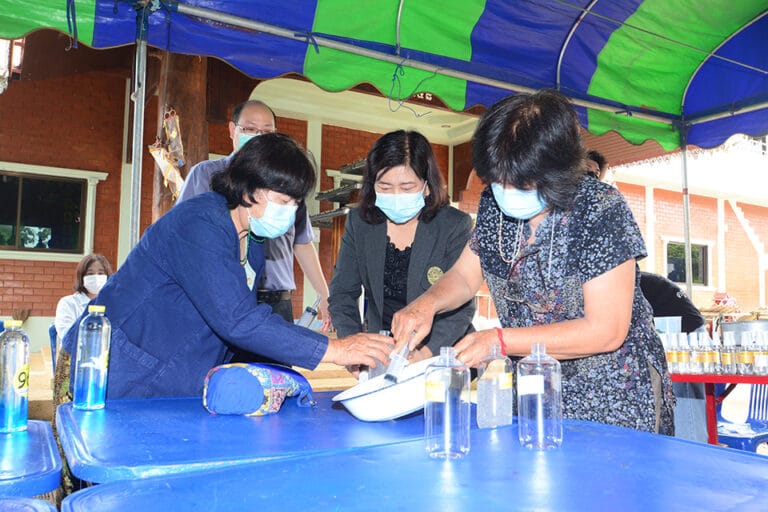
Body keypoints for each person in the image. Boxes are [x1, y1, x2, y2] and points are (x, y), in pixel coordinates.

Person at [392, 89, 675, 435]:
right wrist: (427, 305)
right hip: (533, 392)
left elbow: (605, 330)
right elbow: (465, 276)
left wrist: (500, 341)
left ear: (558, 172)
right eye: (498, 180)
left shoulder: (600, 209)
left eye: (521, 184)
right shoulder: (495, 206)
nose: (506, 192)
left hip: (613, 398)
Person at [57, 134, 391, 399]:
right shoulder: (200, 223)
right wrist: (336, 349)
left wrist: (279, 371)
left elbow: (236, 327)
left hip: (170, 378)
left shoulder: (252, 241)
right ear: (248, 189)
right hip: (108, 370)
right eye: (283, 200)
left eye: (296, 202)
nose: (290, 211)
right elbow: (238, 320)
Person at [177, 99, 332, 333]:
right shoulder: (205, 175)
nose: (258, 137)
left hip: (276, 301)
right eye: (250, 129)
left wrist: (324, 295)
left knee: (277, 357)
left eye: (267, 132)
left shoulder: (286, 181)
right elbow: (185, 236)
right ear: (232, 130)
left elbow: (302, 242)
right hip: (224, 298)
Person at [328, 130, 475, 371]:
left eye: (407, 188)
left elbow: (462, 305)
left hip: (442, 352)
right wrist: (354, 348)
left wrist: (424, 354)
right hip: (382, 352)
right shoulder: (360, 223)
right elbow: (343, 293)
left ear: (426, 186)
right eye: (384, 187)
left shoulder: (453, 225)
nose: (396, 196)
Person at [640, 270, 708, 442]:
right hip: (675, 330)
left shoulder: (625, 280)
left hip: (685, 334)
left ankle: (691, 450)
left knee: (685, 404)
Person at [54, 253, 113, 341]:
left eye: (101, 273)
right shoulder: (68, 303)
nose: (96, 277)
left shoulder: (113, 304)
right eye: (90, 273)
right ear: (81, 277)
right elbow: (67, 336)